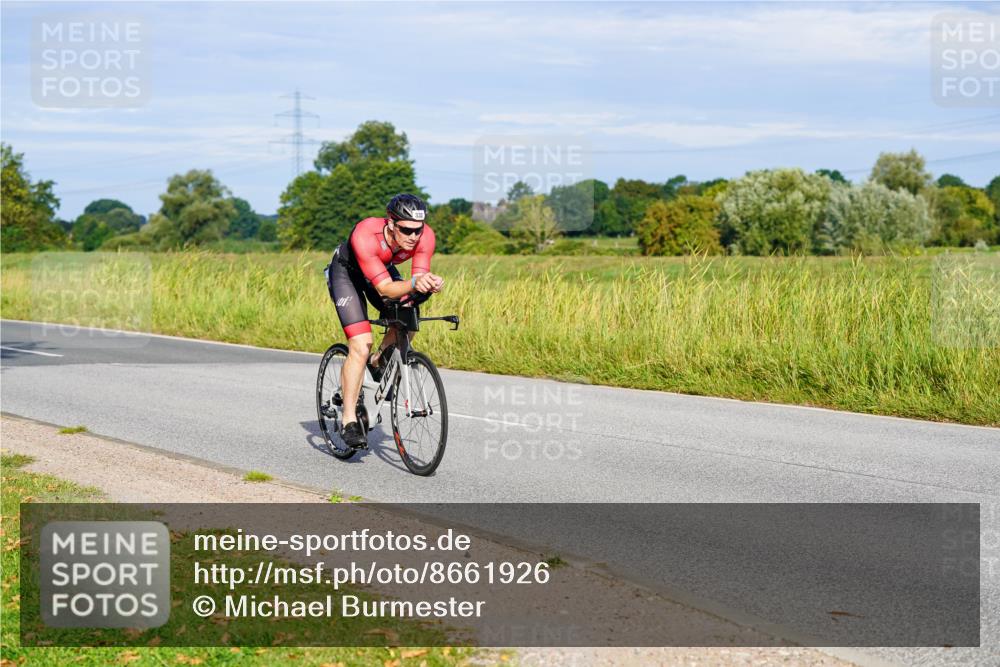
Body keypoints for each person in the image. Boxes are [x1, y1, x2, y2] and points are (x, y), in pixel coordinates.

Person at [325, 194, 444, 448]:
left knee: (409, 316)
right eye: (406, 230)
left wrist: (427, 284)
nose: (413, 237)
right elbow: (386, 290)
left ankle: (379, 361)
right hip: (348, 274)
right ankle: (348, 420)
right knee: (360, 343)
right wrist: (412, 283)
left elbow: (416, 281)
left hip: (380, 269)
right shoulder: (366, 235)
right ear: (391, 223)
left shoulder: (425, 237)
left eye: (418, 230)